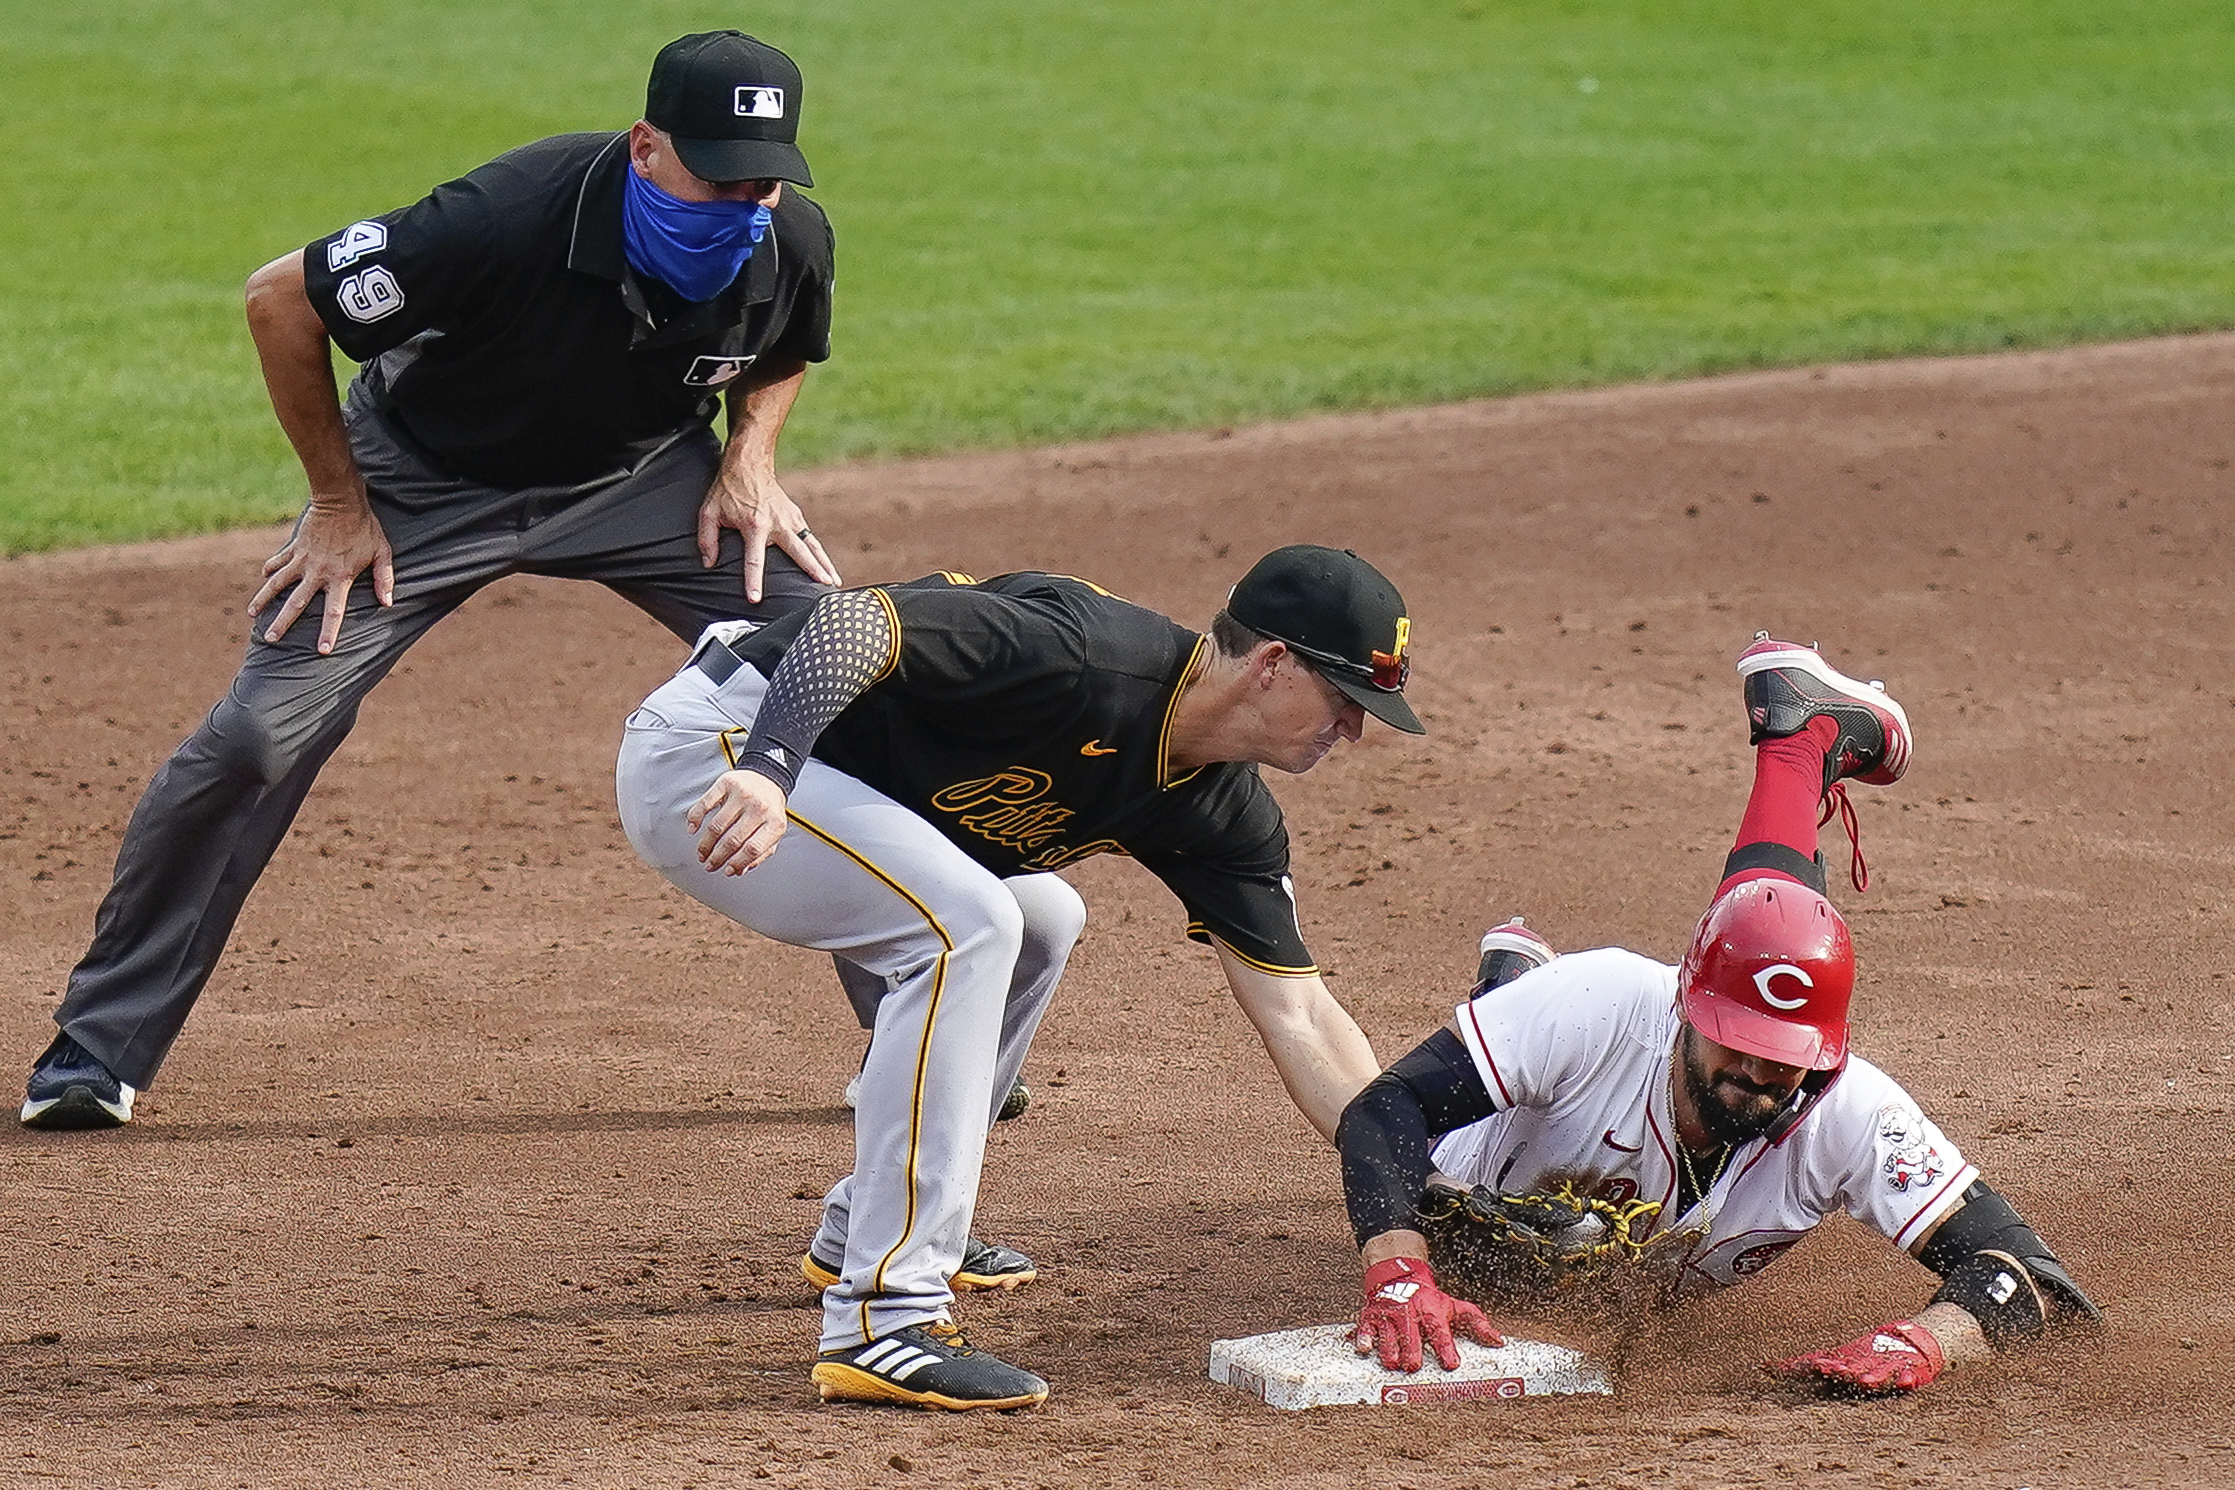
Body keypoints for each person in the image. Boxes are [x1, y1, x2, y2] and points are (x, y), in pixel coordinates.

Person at [22, 32, 841, 1130]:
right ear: (646, 146)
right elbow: (280, 301)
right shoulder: (501, 217)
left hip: (641, 481)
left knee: (836, 659)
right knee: (257, 737)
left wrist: (751, 462)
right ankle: (98, 1046)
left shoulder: (787, 234)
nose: (743, 200)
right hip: (421, 484)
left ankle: (920, 1018)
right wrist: (336, 501)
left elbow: (784, 345)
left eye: (762, 177)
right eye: (716, 173)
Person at [616, 545, 1417, 1409]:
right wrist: (768, 772)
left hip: (830, 783)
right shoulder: (1078, 652)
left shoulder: (1220, 808)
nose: (1355, 729)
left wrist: (1414, 1175)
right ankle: (886, 1317)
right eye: (1344, 698)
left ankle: (867, 1224)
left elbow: (1298, 1013)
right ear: (1271, 665)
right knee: (971, 925)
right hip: (726, 751)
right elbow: (851, 618)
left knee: (1041, 921)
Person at [1339, 636, 2100, 1393]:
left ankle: (1801, 742)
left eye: (1784, 1050)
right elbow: (1381, 1108)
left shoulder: (1853, 1114)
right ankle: (1509, 998)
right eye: (1735, 1039)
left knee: (1763, 940)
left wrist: (1928, 1340)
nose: (1757, 1068)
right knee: (1509, 1245)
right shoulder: (1608, 1006)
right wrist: (1399, 1269)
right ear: (1684, 1006)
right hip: (1473, 1167)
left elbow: (2032, 1278)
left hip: (1585, 1039)